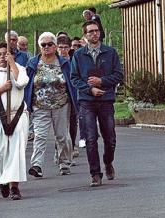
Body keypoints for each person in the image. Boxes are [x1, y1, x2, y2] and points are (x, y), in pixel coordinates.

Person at [70, 20, 123, 187]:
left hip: (106, 101)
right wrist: (89, 89)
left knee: (110, 138)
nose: (94, 33)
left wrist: (102, 81)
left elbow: (119, 75)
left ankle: (108, 162)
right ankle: (95, 173)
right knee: (91, 139)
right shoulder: (78, 55)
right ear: (85, 35)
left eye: (96, 30)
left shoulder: (110, 52)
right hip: (87, 102)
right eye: (90, 31)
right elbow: (74, 78)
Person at [24, 32, 78, 177]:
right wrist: (27, 104)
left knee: (61, 135)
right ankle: (36, 165)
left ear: (55, 46)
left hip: (61, 104)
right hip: (40, 105)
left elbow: (71, 82)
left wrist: (76, 102)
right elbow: (27, 83)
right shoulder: (33, 63)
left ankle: (64, 163)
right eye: (43, 45)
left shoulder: (64, 63)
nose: (46, 47)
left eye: (49, 44)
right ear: (39, 47)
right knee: (40, 136)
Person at [0, 42, 29, 200]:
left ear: (12, 55)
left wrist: (13, 65)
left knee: (16, 152)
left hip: (17, 115)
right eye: (0, 54)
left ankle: (14, 187)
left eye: (6, 54)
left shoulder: (20, 69)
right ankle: (2, 178)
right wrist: (1, 89)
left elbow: (22, 82)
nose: (3, 57)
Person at [56, 36, 80, 159]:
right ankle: (59, 148)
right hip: (58, 98)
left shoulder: (74, 61)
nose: (63, 50)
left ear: (70, 48)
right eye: (60, 47)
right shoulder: (55, 62)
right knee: (59, 124)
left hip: (72, 96)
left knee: (72, 122)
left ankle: (72, 146)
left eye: (65, 47)